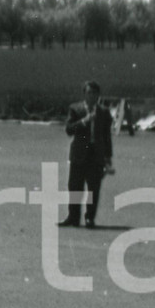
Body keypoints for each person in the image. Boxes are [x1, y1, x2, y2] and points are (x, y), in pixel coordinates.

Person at [60, 80, 115, 228]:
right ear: (84, 94)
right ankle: (73, 217)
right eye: (89, 92)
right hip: (79, 153)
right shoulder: (75, 109)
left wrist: (108, 158)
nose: (91, 96)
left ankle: (90, 217)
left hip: (95, 155)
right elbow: (69, 129)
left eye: (94, 93)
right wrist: (84, 121)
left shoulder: (103, 112)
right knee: (75, 186)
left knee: (93, 188)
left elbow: (106, 136)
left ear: (98, 95)